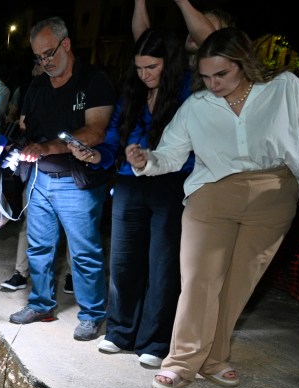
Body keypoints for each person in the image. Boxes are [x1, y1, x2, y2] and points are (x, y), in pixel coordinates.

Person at [126, 28, 299, 388]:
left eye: (221, 74)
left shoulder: (285, 89)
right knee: (199, 282)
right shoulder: (197, 106)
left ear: (243, 63)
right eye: (207, 76)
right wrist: (147, 160)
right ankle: (180, 362)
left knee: (238, 286)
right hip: (211, 195)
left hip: (273, 196)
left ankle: (214, 359)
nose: (213, 84)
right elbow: (170, 156)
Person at [72, 28, 191, 369]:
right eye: (139, 68)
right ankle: (121, 331)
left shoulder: (187, 93)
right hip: (128, 183)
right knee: (123, 262)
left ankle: (154, 341)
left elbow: (190, 149)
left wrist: (152, 158)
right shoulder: (132, 94)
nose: (145, 75)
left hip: (171, 183)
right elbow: (112, 142)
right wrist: (97, 157)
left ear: (169, 64)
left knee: (162, 265)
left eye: (152, 67)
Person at [7, 16, 116, 341]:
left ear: (66, 43)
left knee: (84, 252)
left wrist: (49, 147)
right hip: (40, 178)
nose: (45, 62)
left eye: (49, 53)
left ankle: (93, 314)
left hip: (76, 181)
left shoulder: (94, 79)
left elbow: (96, 130)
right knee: (38, 247)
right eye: (39, 57)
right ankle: (41, 303)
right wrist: (19, 146)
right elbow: (26, 126)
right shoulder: (38, 85)